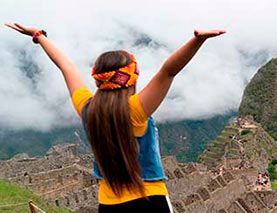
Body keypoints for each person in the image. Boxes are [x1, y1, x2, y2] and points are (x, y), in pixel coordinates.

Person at [5, 23, 225, 212]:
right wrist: (197, 41)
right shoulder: (136, 111)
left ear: (98, 80)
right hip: (149, 199)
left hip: (108, 203)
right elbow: (168, 71)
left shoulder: (88, 109)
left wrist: (39, 36)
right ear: (132, 78)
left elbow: (66, 67)